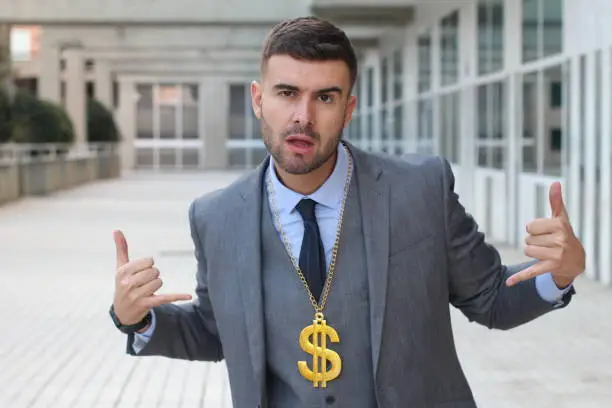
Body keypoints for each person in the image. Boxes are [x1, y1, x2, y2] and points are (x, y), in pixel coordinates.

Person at [109, 16, 586, 408]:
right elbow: (217, 332)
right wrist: (137, 320)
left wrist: (559, 274)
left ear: (349, 108)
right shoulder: (216, 217)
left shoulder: (420, 190)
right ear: (259, 99)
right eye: (287, 93)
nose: (303, 116)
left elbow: (491, 299)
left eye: (325, 97)